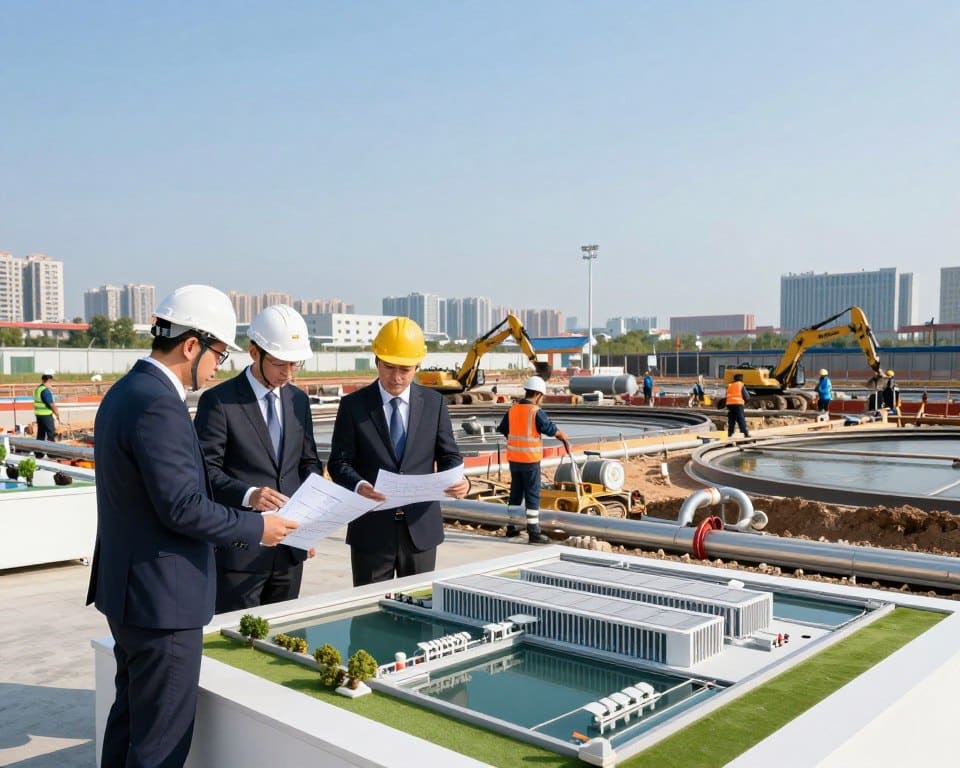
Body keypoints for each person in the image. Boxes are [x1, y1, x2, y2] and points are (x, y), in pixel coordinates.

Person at [85, 284, 299, 768]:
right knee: (161, 743)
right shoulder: (159, 403)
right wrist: (256, 526)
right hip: (165, 602)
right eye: (218, 354)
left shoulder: (125, 392)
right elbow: (181, 506)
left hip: (130, 593)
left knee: (129, 722)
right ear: (190, 345)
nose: (218, 366)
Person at [195, 304, 323, 613]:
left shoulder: (298, 400)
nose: (288, 373)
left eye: (296, 365)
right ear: (254, 352)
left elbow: (308, 463)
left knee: (285, 638)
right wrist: (250, 495)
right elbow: (204, 471)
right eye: (281, 364)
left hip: (291, 550)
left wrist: (312, 523)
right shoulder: (219, 402)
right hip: (240, 553)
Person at [328, 317, 469, 587]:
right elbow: (339, 462)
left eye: (405, 369)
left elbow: (450, 454)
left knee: (421, 615)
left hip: (421, 531)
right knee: (369, 615)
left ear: (417, 366)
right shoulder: (353, 406)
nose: (396, 377)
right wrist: (359, 486)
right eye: (389, 367)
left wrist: (459, 480)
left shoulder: (434, 403)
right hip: (371, 531)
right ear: (376, 361)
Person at [496, 375, 569, 543]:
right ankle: (534, 532)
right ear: (538, 395)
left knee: (515, 493)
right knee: (532, 495)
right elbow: (549, 429)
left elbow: (503, 429)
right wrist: (562, 436)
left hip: (514, 460)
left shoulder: (513, 409)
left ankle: (512, 527)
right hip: (530, 460)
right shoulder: (535, 411)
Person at [33, 369, 60, 443]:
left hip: (39, 415)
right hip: (46, 415)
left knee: (41, 434)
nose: (52, 383)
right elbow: (51, 405)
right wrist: (57, 414)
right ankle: (52, 453)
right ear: (49, 380)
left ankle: (38, 454)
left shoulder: (38, 388)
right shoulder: (45, 391)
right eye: (51, 381)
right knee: (51, 434)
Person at [725, 373, 751, 438]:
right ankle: (745, 433)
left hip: (729, 404)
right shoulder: (741, 385)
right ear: (741, 379)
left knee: (731, 419)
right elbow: (747, 397)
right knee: (740, 418)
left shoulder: (730, 385)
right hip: (738, 404)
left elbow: (726, 395)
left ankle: (730, 433)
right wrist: (745, 402)